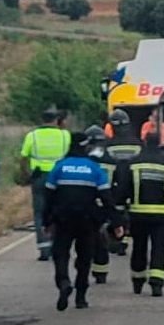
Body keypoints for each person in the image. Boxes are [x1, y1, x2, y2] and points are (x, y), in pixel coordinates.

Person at [43, 133, 122, 311]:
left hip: (63, 219)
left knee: (60, 253)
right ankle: (80, 296)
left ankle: (63, 281)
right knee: (85, 257)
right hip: (88, 220)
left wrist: (46, 221)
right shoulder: (94, 169)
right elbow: (107, 199)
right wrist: (117, 223)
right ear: (86, 148)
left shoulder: (59, 167)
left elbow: (48, 197)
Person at [114, 132, 164, 296]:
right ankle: (157, 283)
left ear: (144, 143)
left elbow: (124, 189)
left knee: (139, 246)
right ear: (159, 144)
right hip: (162, 215)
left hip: (138, 214)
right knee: (159, 247)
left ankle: (138, 281)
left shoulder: (133, 163)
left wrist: (120, 205)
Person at [20, 108, 71, 261]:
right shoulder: (64, 135)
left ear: (42, 119)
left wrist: (27, 174)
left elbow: (23, 158)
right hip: (59, 177)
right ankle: (58, 244)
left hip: (39, 177)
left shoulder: (32, 136)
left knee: (39, 212)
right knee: (59, 211)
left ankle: (43, 248)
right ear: (57, 120)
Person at [104, 108, 143, 256]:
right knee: (132, 212)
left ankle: (119, 239)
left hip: (116, 184)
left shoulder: (109, 145)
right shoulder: (137, 143)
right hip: (135, 182)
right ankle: (125, 238)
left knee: (118, 211)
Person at [84, 125, 119, 284]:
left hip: (87, 205)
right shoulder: (112, 161)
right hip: (106, 204)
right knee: (100, 239)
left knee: (88, 238)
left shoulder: (85, 161)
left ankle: (92, 269)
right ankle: (101, 272)